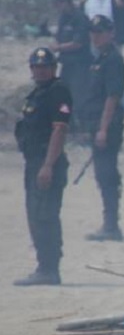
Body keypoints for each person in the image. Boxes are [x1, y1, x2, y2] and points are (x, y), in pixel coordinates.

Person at [13, 49, 72, 286]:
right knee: (34, 214)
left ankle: (49, 269)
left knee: (45, 215)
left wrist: (48, 165)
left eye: (45, 66)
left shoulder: (58, 91)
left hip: (49, 162)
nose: (41, 70)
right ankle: (43, 266)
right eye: (37, 67)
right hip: (33, 161)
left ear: (53, 68)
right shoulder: (38, 93)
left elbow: (59, 129)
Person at [81, 15, 124, 241]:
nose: (96, 36)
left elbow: (112, 96)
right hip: (96, 123)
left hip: (108, 125)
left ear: (111, 33)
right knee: (102, 173)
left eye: (100, 32)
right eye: (93, 32)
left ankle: (111, 225)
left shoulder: (113, 60)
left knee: (107, 174)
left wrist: (103, 129)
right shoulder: (99, 59)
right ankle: (108, 222)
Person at [51, 0, 90, 133]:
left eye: (57, 4)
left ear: (64, 2)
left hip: (81, 65)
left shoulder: (79, 18)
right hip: (67, 64)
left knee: (79, 99)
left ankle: (85, 131)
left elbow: (78, 43)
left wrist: (59, 47)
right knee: (64, 97)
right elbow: (59, 37)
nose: (56, 8)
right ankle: (71, 129)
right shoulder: (63, 18)